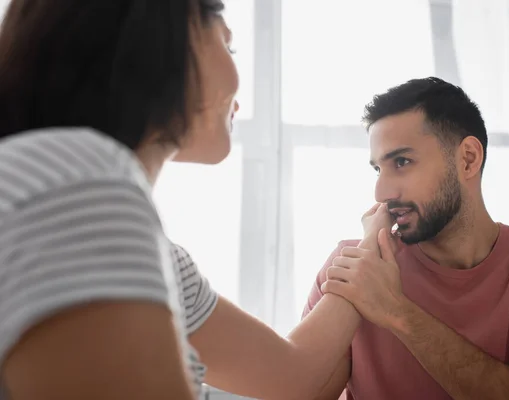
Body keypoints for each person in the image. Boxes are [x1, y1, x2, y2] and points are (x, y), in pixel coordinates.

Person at [0, 1, 376, 399]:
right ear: (161, 39)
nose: (239, 86)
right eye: (228, 47)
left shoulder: (152, 256)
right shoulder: (78, 184)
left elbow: (293, 378)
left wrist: (370, 251)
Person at [303, 77, 509, 400]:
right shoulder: (356, 267)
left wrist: (397, 312)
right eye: (378, 169)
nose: (382, 192)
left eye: (402, 162)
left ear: (468, 159)